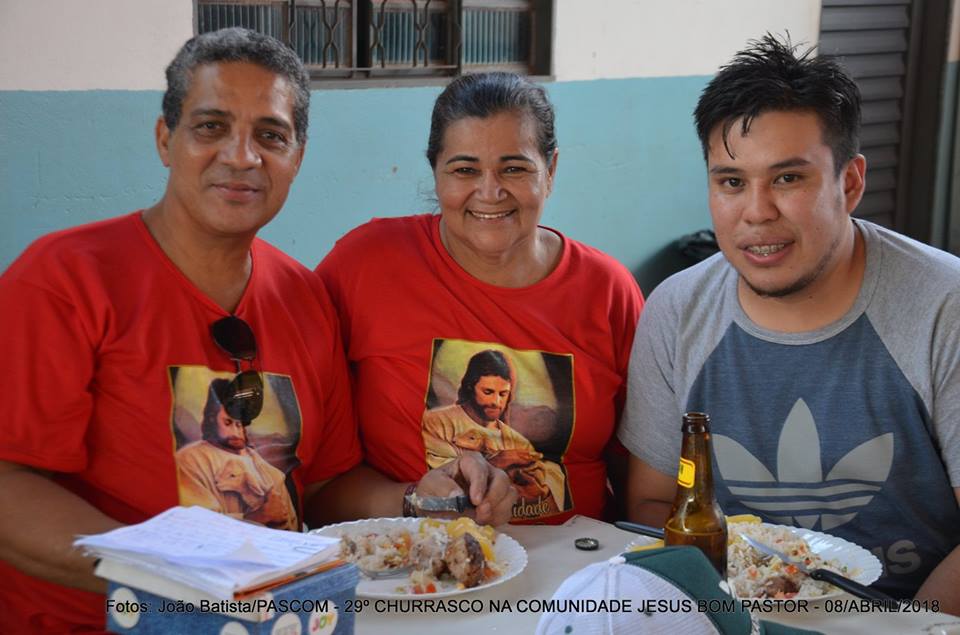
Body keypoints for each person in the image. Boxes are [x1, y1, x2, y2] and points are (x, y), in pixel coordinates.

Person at [0, 28, 366, 632]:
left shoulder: (306, 297)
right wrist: (173, 579)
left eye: (270, 136)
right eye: (211, 127)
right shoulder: (64, 280)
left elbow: (325, 485)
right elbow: (8, 485)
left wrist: (425, 498)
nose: (242, 156)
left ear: (297, 158)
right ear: (165, 139)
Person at [618, 34, 960, 610]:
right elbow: (652, 505)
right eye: (731, 182)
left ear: (850, 183)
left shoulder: (945, 307)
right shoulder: (677, 309)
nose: (756, 212)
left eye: (787, 179)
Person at [317, 72, 644, 524]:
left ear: (550, 170)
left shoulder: (607, 291)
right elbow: (317, 481)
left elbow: (641, 478)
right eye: (465, 170)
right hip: (413, 560)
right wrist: (413, 499)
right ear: (435, 171)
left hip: (578, 562)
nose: (490, 192)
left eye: (514, 168)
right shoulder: (365, 265)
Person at [422, 349, 566, 515]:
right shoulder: (438, 423)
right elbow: (436, 486)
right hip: (449, 525)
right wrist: (494, 463)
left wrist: (538, 493)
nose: (496, 402)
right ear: (470, 387)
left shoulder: (519, 442)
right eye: (488, 392)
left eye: (503, 394)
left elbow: (544, 496)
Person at [176, 378, 298, 530]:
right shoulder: (190, 459)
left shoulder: (267, 469)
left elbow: (290, 521)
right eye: (227, 423)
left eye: (239, 424)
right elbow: (193, 526)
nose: (235, 432)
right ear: (211, 419)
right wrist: (257, 518)